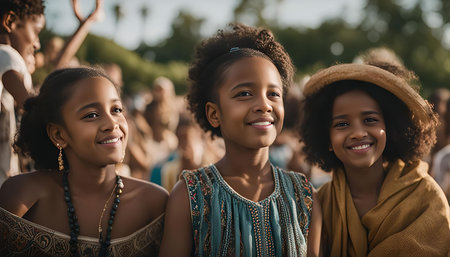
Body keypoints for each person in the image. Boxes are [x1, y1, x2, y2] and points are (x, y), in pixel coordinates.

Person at [160, 24, 322, 257]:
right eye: (244, 93)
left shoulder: (304, 195)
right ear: (214, 114)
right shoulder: (189, 196)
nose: (264, 105)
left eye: (273, 94)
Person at [0, 67, 168, 256]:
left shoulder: (154, 203)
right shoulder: (24, 195)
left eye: (116, 110)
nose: (112, 123)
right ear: (58, 134)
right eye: (92, 115)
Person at [299, 62, 450, 256]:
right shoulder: (320, 204)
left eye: (370, 120)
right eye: (342, 124)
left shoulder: (426, 197)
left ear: (390, 128)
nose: (358, 133)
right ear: (326, 138)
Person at [0, 0, 45, 185]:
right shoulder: (6, 53)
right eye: (36, 32)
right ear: (10, 21)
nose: (37, 44)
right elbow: (27, 104)